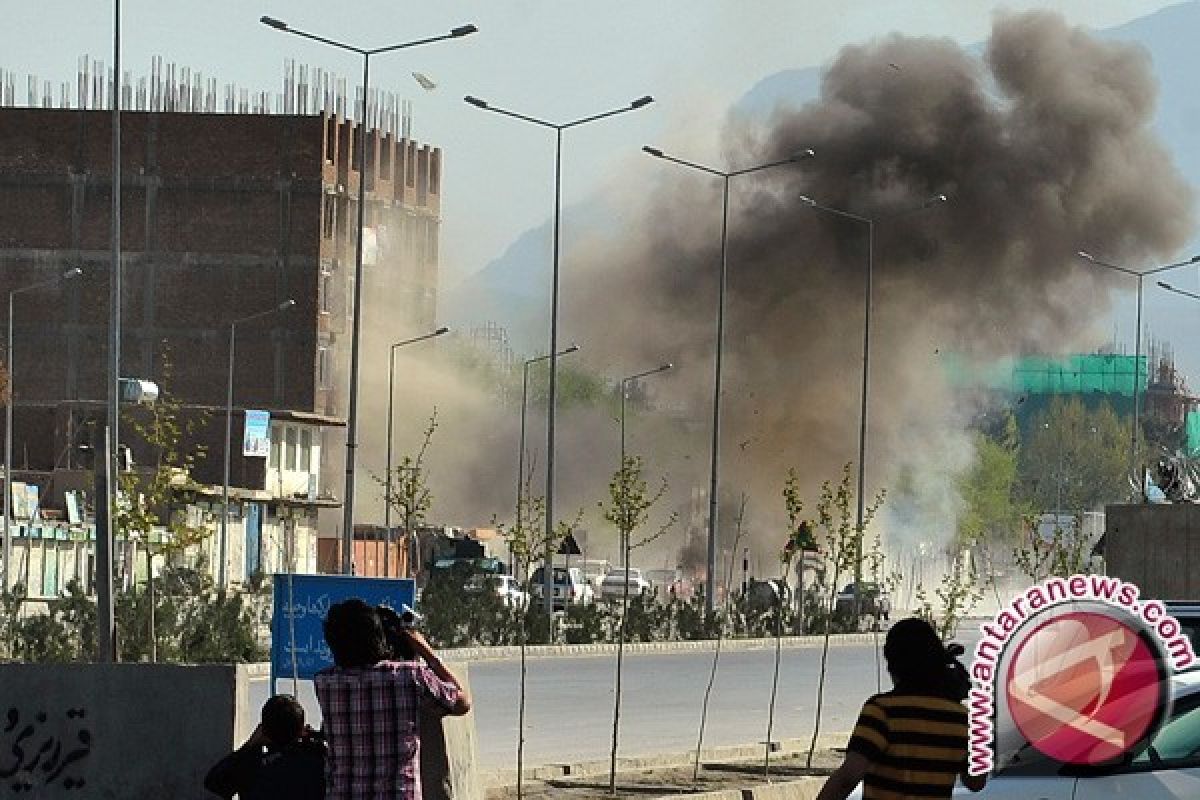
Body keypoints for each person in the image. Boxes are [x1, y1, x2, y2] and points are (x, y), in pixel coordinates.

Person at [315, 598, 471, 800]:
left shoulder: (324, 683)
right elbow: (461, 702)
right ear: (377, 637)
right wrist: (424, 649)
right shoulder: (411, 676)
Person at [816, 617, 986, 800]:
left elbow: (848, 777)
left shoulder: (882, 711)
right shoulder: (962, 719)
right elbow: (976, 782)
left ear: (893, 666)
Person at [204, 694, 325, 800]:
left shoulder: (251, 764)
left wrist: (249, 745)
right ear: (301, 729)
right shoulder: (317, 762)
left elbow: (214, 783)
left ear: (263, 731)